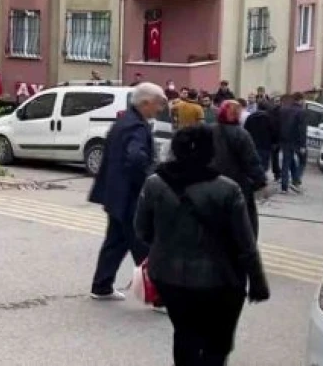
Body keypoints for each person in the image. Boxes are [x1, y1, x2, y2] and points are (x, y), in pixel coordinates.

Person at [135, 125, 270, 366]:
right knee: (217, 344)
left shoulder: (154, 183)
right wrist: (257, 282)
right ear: (211, 152)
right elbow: (246, 244)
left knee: (184, 334)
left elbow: (142, 231)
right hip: (221, 281)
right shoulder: (228, 189)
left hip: (168, 275)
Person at [88, 82, 166, 301]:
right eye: (158, 104)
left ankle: (101, 286)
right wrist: (151, 178)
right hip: (130, 197)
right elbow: (136, 158)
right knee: (144, 247)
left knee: (115, 241)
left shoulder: (124, 121)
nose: (159, 109)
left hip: (116, 194)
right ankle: (159, 297)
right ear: (145, 103)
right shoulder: (136, 127)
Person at [212, 101, 269, 237]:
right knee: (243, 223)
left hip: (212, 183)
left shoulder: (209, 131)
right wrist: (261, 182)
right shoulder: (241, 134)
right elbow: (251, 161)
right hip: (237, 184)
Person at [277, 94, 307, 194]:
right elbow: (302, 129)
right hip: (297, 141)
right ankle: (296, 180)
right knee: (302, 161)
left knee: (287, 162)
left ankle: (284, 187)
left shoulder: (284, 110)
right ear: (301, 100)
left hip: (285, 140)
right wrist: (303, 144)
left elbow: (279, 125)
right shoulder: (301, 112)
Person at [244, 100, 277, 175]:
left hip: (253, 144)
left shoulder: (250, 117)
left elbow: (246, 130)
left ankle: (255, 178)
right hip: (266, 145)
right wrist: (274, 142)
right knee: (264, 164)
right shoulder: (270, 118)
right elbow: (274, 131)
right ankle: (262, 178)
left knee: (254, 163)